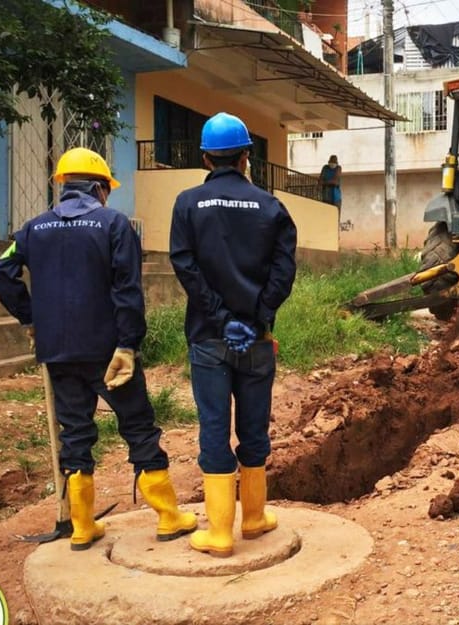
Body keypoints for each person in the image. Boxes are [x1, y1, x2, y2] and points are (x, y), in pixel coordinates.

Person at [0, 147, 196, 551]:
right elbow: (127, 289)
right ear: (100, 188)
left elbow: (0, 271)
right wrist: (129, 344)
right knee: (137, 426)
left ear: (63, 185)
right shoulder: (114, 224)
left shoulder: (32, 229)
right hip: (109, 350)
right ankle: (168, 517)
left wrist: (31, 318)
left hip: (57, 350)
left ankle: (82, 526)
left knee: (75, 432)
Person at [169, 112, 297, 558]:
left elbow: (185, 266)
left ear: (206, 158)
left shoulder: (187, 204)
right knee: (254, 428)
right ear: (247, 157)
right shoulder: (272, 207)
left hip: (209, 337)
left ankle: (220, 533)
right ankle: (255, 519)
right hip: (256, 340)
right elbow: (284, 272)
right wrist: (257, 319)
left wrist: (223, 320)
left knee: (214, 428)